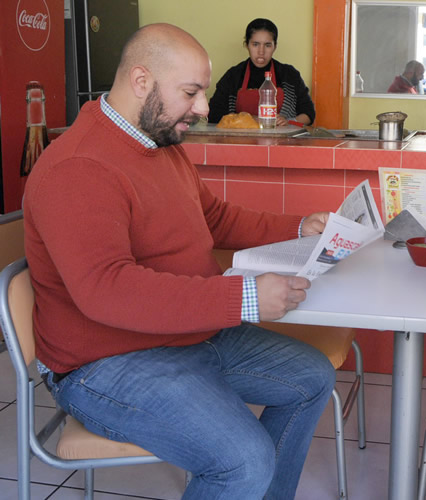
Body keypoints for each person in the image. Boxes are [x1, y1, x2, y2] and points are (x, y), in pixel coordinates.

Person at [24, 23, 336, 499]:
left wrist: (297, 228)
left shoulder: (158, 142)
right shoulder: (79, 168)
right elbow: (107, 291)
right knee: (242, 458)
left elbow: (213, 217)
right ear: (142, 81)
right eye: (191, 92)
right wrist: (245, 297)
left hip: (182, 334)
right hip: (104, 362)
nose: (204, 108)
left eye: (204, 92)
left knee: (312, 378)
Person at [209, 18, 316, 126]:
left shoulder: (289, 75)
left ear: (275, 46)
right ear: (247, 45)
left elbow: (309, 114)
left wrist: (290, 121)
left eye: (268, 45)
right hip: (240, 141)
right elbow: (213, 114)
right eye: (255, 44)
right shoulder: (233, 76)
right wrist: (248, 119)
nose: (261, 52)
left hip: (281, 142)